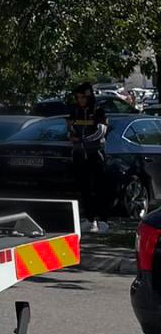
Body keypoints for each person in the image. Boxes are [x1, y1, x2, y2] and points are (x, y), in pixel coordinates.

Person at [67, 82, 108, 231]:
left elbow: (101, 131)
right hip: (79, 154)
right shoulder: (75, 111)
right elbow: (70, 128)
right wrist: (72, 137)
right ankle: (89, 219)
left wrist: (85, 140)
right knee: (84, 188)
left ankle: (103, 220)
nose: (80, 100)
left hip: (95, 153)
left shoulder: (98, 111)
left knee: (99, 187)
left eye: (83, 97)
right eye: (78, 97)